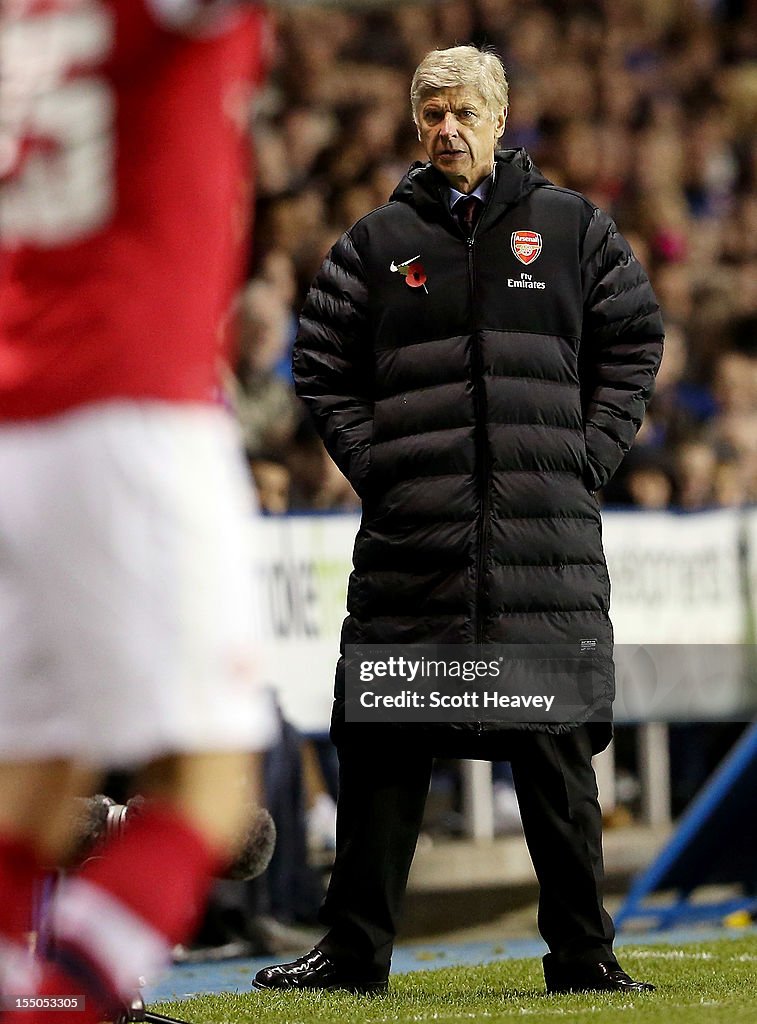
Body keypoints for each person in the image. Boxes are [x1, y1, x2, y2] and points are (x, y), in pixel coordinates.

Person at [254, 45, 664, 996]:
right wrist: (381, 468)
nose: (446, 128)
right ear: (415, 124)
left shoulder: (569, 228)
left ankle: (583, 957)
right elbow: (317, 361)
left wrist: (584, 458)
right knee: (385, 743)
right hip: (414, 544)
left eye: (463, 112)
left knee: (555, 751)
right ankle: (352, 957)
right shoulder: (373, 240)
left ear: (498, 118)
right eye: (431, 112)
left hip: (541, 540)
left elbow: (634, 338)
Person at [0, 2, 277, 1021]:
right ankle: (68, 1003)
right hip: (130, 405)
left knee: (27, 793)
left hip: (15, 408)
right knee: (209, 792)